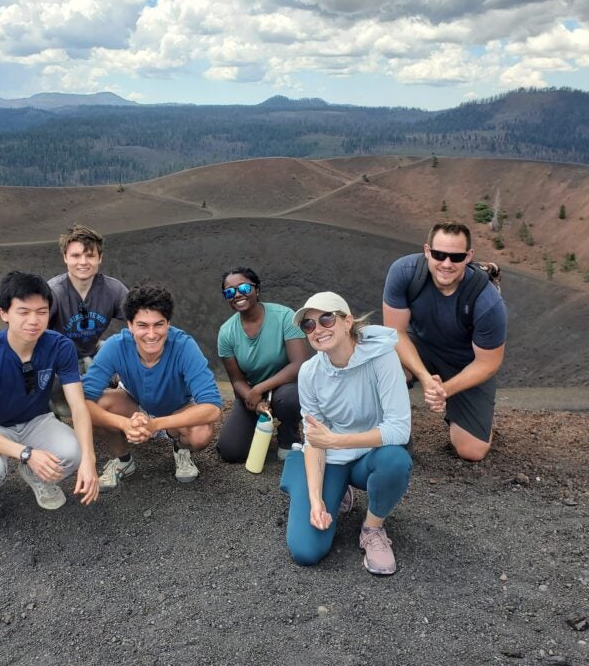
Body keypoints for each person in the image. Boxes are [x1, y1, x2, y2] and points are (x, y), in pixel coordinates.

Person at [280, 293, 412, 574]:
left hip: (371, 457)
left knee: (396, 460)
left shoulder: (382, 357)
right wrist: (316, 501)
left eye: (326, 318)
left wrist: (336, 441)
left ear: (347, 321)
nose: (318, 328)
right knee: (306, 550)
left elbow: (399, 429)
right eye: (309, 325)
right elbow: (315, 439)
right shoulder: (309, 373)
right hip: (332, 458)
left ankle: (372, 529)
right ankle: (318, 483)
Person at [0, 272, 99, 534]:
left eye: (41, 311)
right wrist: (27, 453)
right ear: (4, 313)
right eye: (23, 312)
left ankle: (36, 475)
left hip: (36, 420)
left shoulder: (60, 346)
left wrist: (90, 460)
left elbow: (79, 406)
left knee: (75, 453)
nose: (34, 321)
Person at [382, 221, 507, 461]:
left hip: (466, 363)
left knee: (471, 451)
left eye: (456, 257)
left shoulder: (488, 302)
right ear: (427, 251)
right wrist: (426, 378)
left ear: (468, 256)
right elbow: (395, 332)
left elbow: (488, 364)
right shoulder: (405, 272)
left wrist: (444, 390)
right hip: (422, 347)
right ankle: (394, 433)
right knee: (383, 359)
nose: (447, 264)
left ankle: (475, 417)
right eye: (439, 255)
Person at [82, 284, 222, 490]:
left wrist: (155, 424)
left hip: (177, 408)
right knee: (98, 404)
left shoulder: (184, 346)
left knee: (200, 433)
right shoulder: (116, 345)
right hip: (135, 404)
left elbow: (212, 407)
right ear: (129, 324)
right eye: (142, 325)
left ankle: (180, 448)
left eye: (159, 324)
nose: (151, 334)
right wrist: (124, 424)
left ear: (168, 323)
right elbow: (83, 400)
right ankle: (123, 460)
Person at [214, 267, 307, 463]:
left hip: (286, 388)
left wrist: (260, 389)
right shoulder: (226, 332)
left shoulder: (284, 317)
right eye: (230, 292)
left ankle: (288, 433)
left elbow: (299, 365)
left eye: (244, 287)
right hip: (251, 393)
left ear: (257, 289)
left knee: (291, 398)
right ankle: (261, 419)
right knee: (231, 452)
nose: (238, 294)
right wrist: (254, 399)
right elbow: (237, 379)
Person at [47, 225, 128, 418]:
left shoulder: (113, 289)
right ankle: (50, 414)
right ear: (65, 257)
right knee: (63, 408)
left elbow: (139, 320)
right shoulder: (53, 292)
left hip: (94, 349)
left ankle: (128, 402)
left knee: (127, 346)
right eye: (75, 256)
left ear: (99, 258)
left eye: (90, 255)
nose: (83, 262)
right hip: (60, 356)